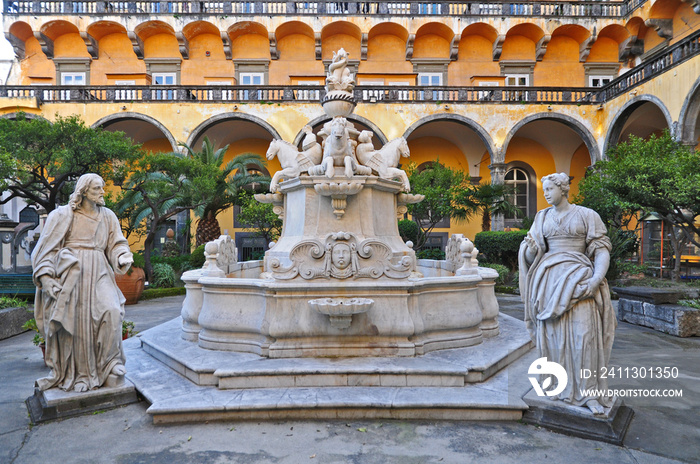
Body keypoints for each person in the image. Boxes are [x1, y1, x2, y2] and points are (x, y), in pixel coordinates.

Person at [518, 172, 616, 415]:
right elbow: (532, 256)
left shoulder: (586, 215)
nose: (546, 194)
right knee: (552, 338)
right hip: (548, 284)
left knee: (584, 337)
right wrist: (529, 251)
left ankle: (589, 392)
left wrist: (596, 280)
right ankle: (556, 385)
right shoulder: (541, 218)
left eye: (550, 189)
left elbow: (601, 250)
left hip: (580, 282)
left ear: (563, 189)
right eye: (544, 191)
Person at [31, 173, 134, 392]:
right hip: (72, 272)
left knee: (111, 311)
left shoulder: (108, 216)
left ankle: (111, 363)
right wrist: (47, 278)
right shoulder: (63, 215)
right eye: (97, 188)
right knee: (77, 323)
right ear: (84, 191)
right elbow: (46, 249)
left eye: (102, 187)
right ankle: (80, 374)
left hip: (99, 269)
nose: (102, 192)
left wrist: (122, 255)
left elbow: (117, 243)